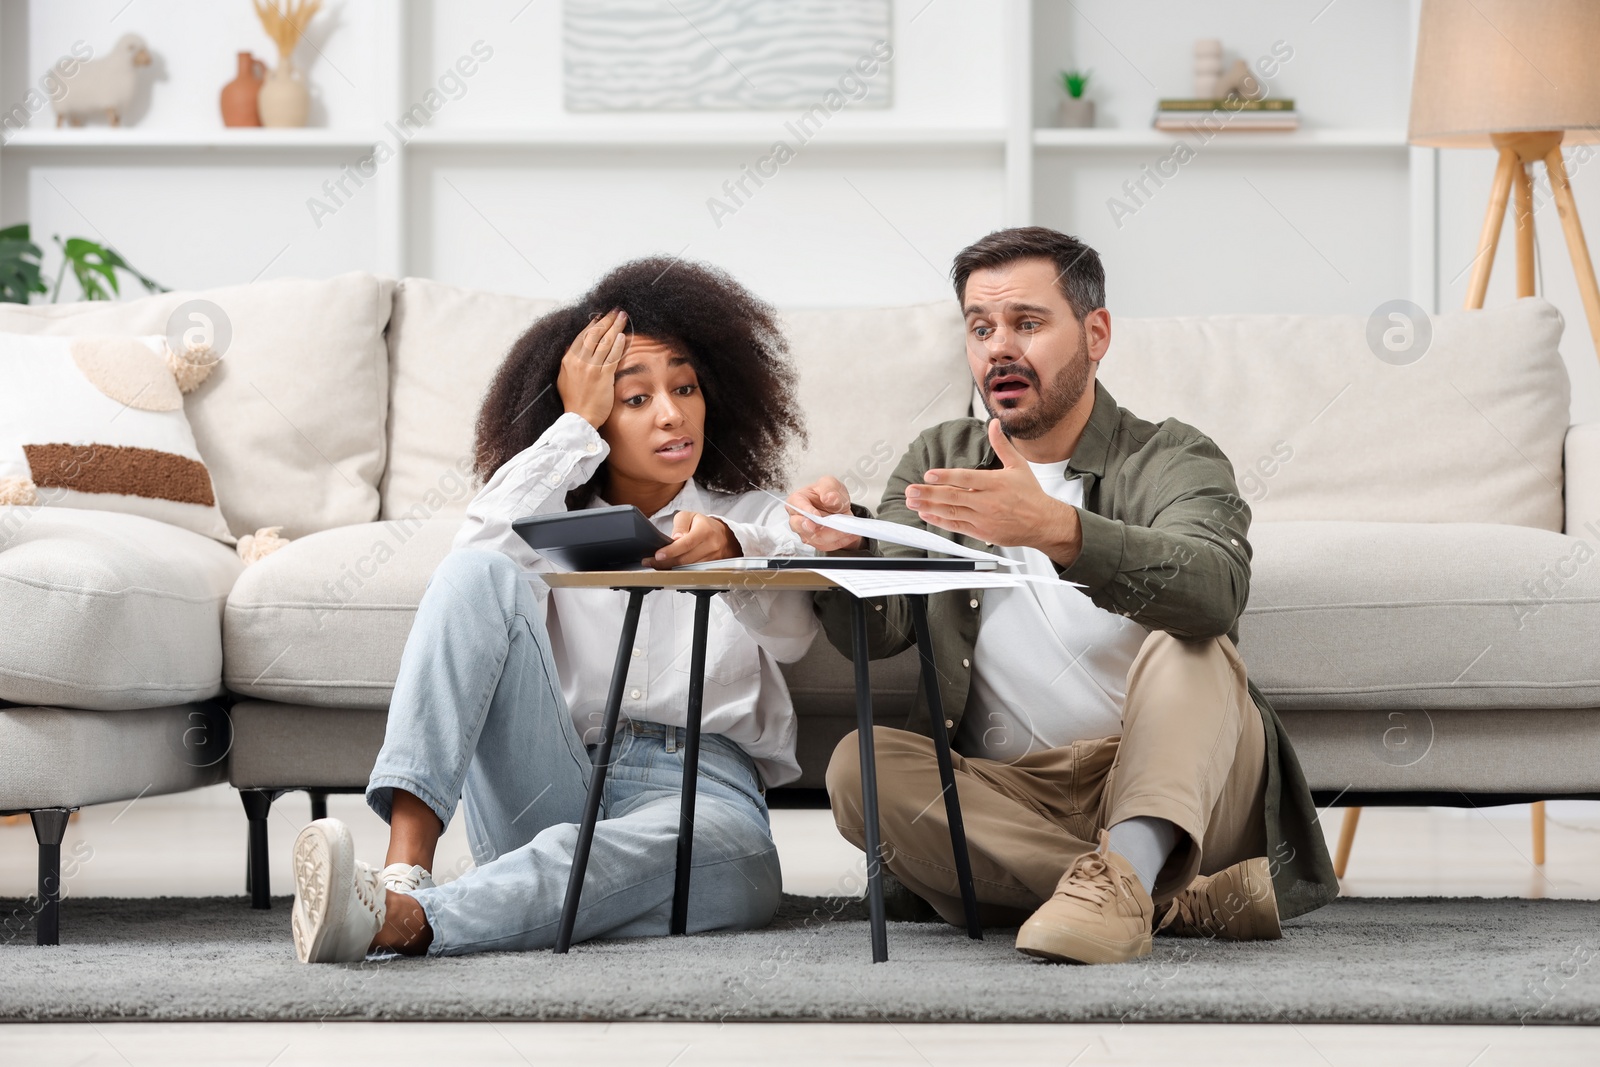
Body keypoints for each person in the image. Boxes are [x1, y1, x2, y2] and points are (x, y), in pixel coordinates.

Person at [789, 226, 1338, 965]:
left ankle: (1137, 863)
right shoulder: (941, 458)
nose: (997, 349)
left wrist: (1060, 531)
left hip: (1174, 779)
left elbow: (1214, 591)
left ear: (1095, 332)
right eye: (981, 328)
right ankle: (1148, 895)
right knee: (859, 767)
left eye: (1027, 322)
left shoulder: (1173, 455)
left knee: (1191, 646)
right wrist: (848, 543)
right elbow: (883, 629)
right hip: (1013, 794)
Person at [289, 257, 816, 963]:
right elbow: (471, 563)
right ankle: (402, 873)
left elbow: (794, 636)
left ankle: (402, 919)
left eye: (686, 387)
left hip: (702, 793)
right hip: (552, 779)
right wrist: (572, 426)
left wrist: (730, 549)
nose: (672, 413)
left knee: (735, 862)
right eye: (635, 398)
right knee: (479, 570)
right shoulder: (548, 519)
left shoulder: (752, 515)